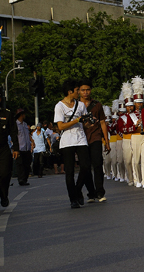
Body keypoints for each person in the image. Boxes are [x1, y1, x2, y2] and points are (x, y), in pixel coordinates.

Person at [54, 79, 92, 209]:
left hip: (80, 138)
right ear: (70, 92)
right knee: (69, 171)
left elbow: (85, 124)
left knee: (86, 166)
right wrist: (76, 119)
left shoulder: (81, 105)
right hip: (67, 141)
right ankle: (73, 198)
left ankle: (77, 189)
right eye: (77, 90)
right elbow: (60, 126)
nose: (79, 92)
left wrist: (89, 122)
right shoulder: (59, 106)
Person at [79, 79, 109, 202]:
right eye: (83, 90)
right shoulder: (76, 105)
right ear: (79, 91)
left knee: (97, 164)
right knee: (85, 167)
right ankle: (91, 193)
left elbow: (102, 122)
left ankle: (100, 192)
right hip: (81, 138)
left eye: (88, 90)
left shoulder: (97, 105)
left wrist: (106, 141)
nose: (86, 92)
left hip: (96, 137)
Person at [0, 87, 19, 211]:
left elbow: (14, 132)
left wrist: (16, 148)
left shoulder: (7, 114)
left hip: (3, 149)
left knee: (4, 174)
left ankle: (4, 195)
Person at [130, 76, 144, 189]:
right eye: (137, 102)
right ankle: (137, 178)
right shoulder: (130, 115)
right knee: (136, 160)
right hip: (135, 137)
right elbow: (126, 128)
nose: (139, 104)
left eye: (141, 102)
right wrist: (135, 124)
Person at [118, 82, 137, 186]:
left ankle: (136, 178)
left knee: (136, 160)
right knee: (128, 160)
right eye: (128, 106)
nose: (130, 107)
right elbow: (122, 129)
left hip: (134, 138)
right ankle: (130, 178)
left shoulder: (136, 115)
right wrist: (133, 127)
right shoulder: (122, 118)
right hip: (126, 140)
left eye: (131, 105)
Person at [14, 109, 32, 186]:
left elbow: (27, 136)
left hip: (27, 148)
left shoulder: (25, 124)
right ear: (21, 115)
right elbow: (14, 137)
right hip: (20, 148)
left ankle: (25, 179)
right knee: (20, 165)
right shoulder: (15, 125)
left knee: (27, 164)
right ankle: (21, 179)